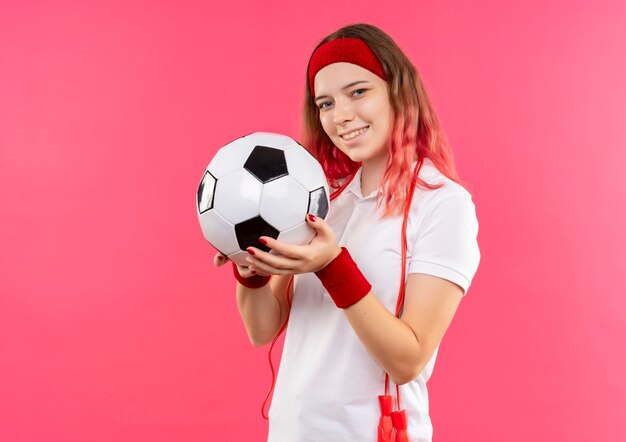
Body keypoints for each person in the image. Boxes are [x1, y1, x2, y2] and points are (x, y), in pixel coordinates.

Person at [213, 23, 480, 442]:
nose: (341, 116)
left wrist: (332, 265)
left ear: (398, 92)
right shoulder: (321, 203)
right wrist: (249, 266)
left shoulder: (444, 205)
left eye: (358, 92)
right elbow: (262, 328)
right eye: (325, 103)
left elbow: (407, 359)